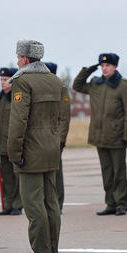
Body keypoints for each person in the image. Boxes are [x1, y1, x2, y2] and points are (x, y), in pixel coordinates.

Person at [7, 40, 65, 253]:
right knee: (51, 203)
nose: (17, 60)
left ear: (25, 59)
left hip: (31, 150)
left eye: (18, 56)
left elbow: (18, 120)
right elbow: (59, 117)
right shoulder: (55, 80)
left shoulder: (22, 81)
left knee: (33, 205)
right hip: (50, 148)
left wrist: (14, 152)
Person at [73, 53, 127, 216]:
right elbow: (77, 86)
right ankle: (110, 203)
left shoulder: (124, 85)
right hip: (100, 135)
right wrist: (87, 71)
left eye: (108, 65)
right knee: (107, 173)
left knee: (119, 173)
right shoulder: (95, 83)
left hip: (117, 136)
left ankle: (121, 204)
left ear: (115, 67)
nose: (104, 68)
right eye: (102, 65)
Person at [0, 67, 22, 215]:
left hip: (14, 144)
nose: (3, 82)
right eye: (1, 80)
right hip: (2, 145)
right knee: (7, 177)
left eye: (6, 80)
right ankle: (8, 204)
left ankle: (17, 204)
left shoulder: (17, 97)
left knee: (17, 177)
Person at [45, 62, 71, 212]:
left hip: (55, 138)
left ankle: (58, 203)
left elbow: (64, 117)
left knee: (56, 174)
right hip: (41, 138)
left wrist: (60, 140)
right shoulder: (40, 90)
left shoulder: (61, 90)